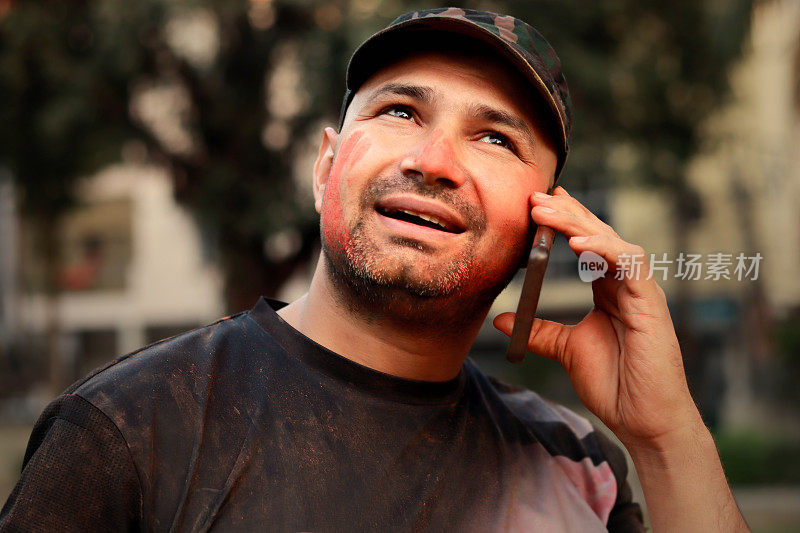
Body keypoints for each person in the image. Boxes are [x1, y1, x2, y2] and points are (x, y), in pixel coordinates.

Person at [1, 8, 749, 532]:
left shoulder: (575, 464)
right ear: (327, 165)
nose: (432, 161)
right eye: (398, 112)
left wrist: (666, 434)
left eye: (494, 138)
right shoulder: (133, 428)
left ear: (546, 223)